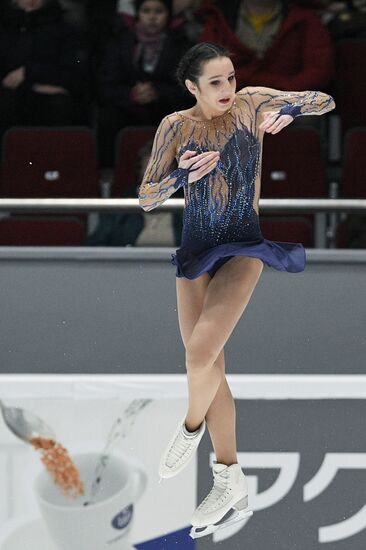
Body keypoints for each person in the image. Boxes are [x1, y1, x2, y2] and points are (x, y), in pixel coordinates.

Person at [138, 42, 335, 538]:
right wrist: (182, 176)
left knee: (198, 355)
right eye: (215, 82)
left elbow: (324, 99)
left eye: (230, 77)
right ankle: (229, 477)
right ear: (192, 88)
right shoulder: (176, 126)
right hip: (195, 252)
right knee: (210, 366)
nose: (227, 89)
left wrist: (288, 110)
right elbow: (146, 198)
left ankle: (190, 426)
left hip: (244, 247)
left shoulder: (251, 103)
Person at [96, 0, 192, 167]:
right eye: (146, 11)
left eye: (158, 11)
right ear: (138, 14)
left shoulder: (181, 45)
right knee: (107, 118)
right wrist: (130, 94)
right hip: (127, 106)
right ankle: (109, 175)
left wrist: (158, 93)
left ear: (168, 15)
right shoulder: (122, 42)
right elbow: (106, 83)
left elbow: (189, 87)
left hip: (166, 107)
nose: (152, 17)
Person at [0, 0, 88, 143]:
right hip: (12, 98)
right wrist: (32, 87)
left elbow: (74, 74)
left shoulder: (64, 29)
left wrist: (29, 72)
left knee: (60, 105)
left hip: (52, 99)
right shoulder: (4, 28)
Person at [197, 0, 333, 91]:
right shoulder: (218, 16)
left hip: (288, 104)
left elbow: (318, 71)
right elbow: (204, 69)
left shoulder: (305, 18)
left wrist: (282, 92)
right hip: (231, 100)